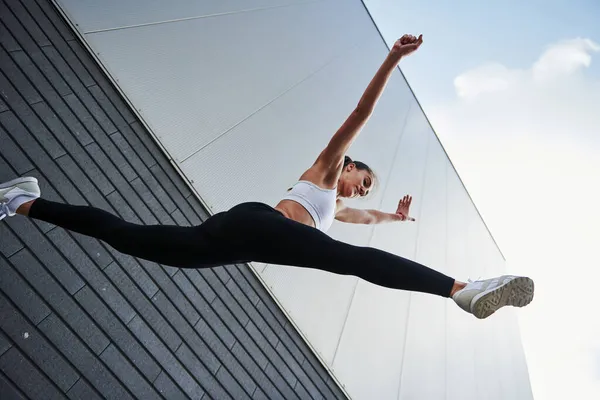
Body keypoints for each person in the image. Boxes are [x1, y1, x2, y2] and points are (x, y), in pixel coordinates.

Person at [0, 34, 533, 320]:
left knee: (129, 238)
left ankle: (24, 202)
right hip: (263, 222)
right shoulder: (325, 170)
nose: (361, 192)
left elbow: (363, 218)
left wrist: (391, 215)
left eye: (366, 192)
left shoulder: (338, 210)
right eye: (362, 181)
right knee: (348, 263)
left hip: (235, 238)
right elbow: (359, 115)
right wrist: (391, 60)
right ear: (346, 168)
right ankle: (463, 287)